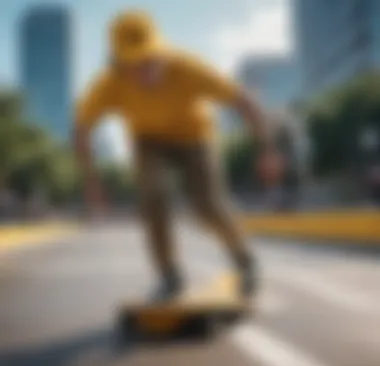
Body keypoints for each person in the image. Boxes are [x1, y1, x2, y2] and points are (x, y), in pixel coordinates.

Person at [74, 10, 281, 300]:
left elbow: (244, 101)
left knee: (208, 206)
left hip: (194, 137)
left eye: (150, 59)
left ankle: (244, 260)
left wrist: (267, 151)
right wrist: (91, 182)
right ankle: (169, 275)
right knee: (153, 199)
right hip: (148, 140)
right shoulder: (108, 84)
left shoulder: (187, 67)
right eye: (135, 63)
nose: (145, 69)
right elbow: (82, 129)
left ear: (159, 49)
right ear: (119, 63)